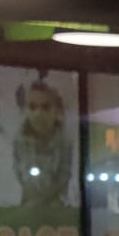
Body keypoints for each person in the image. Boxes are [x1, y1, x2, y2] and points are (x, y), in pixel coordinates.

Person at [13, 80, 72, 208]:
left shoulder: (67, 142)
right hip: (28, 210)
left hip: (59, 211)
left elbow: (64, 179)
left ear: (57, 111)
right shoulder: (18, 141)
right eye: (32, 107)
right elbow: (21, 179)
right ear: (25, 110)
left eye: (45, 107)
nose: (38, 114)